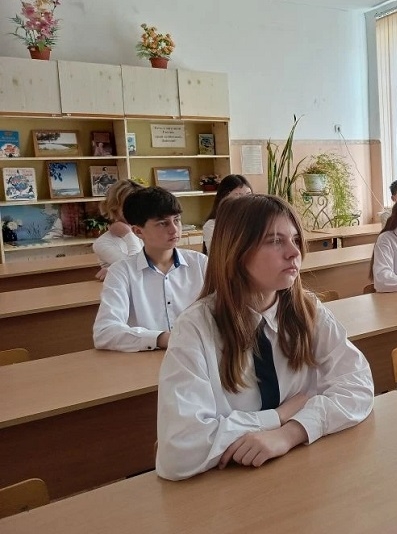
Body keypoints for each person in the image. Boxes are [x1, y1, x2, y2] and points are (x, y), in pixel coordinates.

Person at [156, 194, 374, 480]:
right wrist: (277, 416)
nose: (294, 252)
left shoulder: (306, 309)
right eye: (275, 241)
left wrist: (291, 432)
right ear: (236, 251)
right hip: (230, 486)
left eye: (295, 239)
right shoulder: (195, 328)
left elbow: (358, 385)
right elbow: (179, 450)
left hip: (303, 470)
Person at [93, 187, 208, 352]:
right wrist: (164, 338)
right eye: (163, 223)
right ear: (138, 231)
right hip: (147, 360)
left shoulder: (200, 263)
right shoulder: (121, 272)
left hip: (198, 355)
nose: (174, 229)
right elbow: (105, 332)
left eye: (176, 220)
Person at [92, 179, 144, 281]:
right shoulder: (102, 243)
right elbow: (137, 267)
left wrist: (113, 270)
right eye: (128, 206)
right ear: (114, 208)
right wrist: (128, 234)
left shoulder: (147, 231)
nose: (136, 210)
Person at [202, 174, 252, 253]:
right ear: (224, 198)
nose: (245, 200)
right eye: (238, 195)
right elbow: (217, 255)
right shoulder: (212, 225)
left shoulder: (253, 221)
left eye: (248, 195)